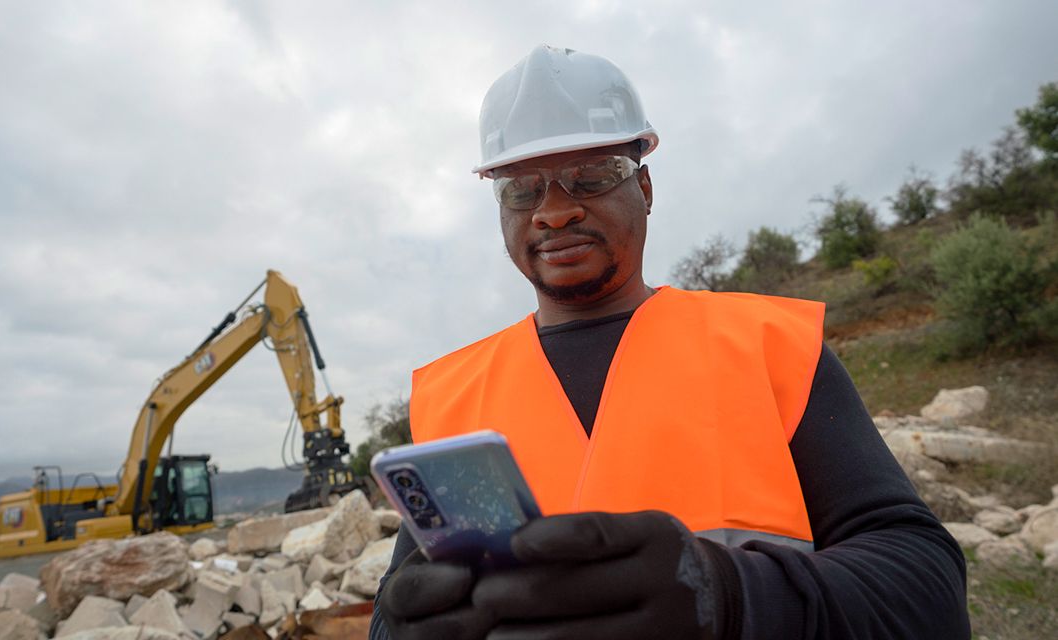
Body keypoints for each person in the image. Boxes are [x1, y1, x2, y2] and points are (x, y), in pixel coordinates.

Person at [369, 45, 969, 640]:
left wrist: (733, 598)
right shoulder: (450, 397)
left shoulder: (768, 346)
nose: (553, 212)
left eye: (593, 176)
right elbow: (396, 614)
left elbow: (927, 591)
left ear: (646, 189)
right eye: (521, 190)